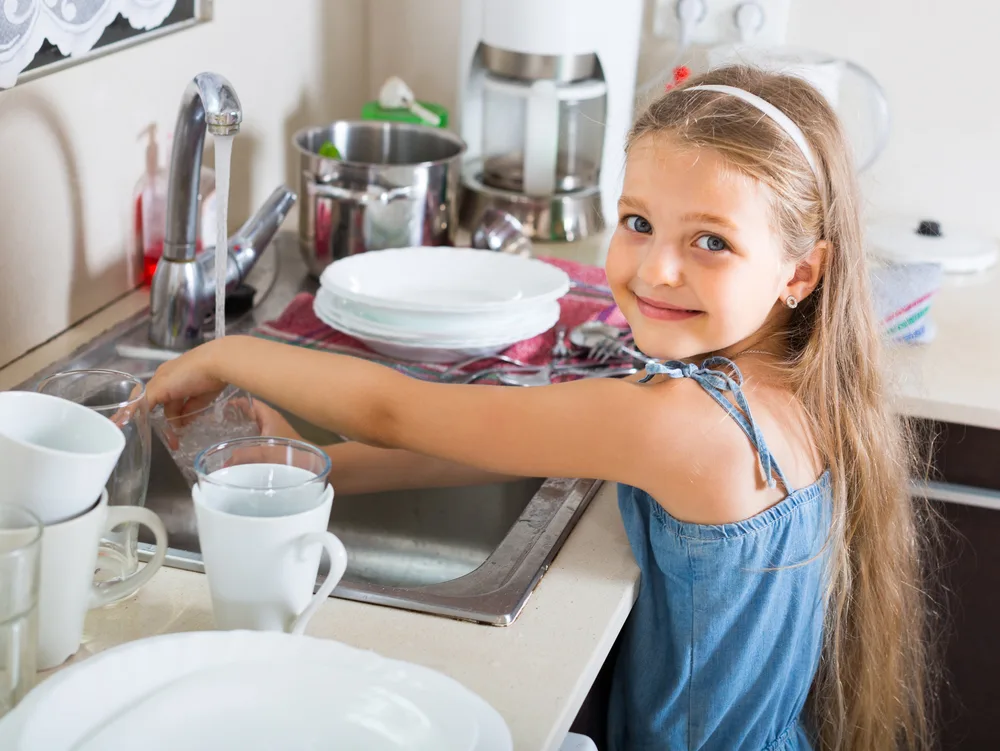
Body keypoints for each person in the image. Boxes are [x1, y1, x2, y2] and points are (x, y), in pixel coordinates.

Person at [145, 65, 932, 749]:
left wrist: (223, 354)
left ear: (801, 271)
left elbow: (397, 409)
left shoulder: (681, 426)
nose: (656, 268)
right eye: (638, 223)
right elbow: (491, 443)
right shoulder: (786, 386)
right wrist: (314, 468)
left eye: (712, 241)